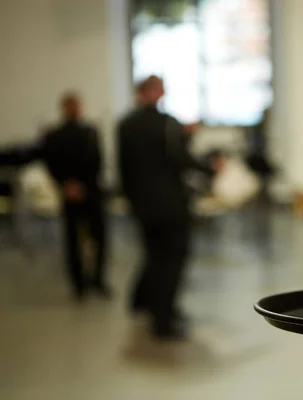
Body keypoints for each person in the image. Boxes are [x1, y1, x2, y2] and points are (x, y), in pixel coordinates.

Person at [118, 75, 219, 340]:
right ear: (154, 92)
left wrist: (131, 201)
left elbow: (123, 168)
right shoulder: (167, 124)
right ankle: (164, 318)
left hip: (143, 205)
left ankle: (153, 307)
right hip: (170, 204)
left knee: (154, 256)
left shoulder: (126, 125)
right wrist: (210, 168)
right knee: (173, 259)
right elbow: (179, 159)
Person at [0, 92, 109, 301]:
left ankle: (98, 280)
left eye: (77, 105)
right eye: (70, 105)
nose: (75, 109)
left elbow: (96, 161)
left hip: (91, 192)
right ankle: (79, 285)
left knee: (99, 236)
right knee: (72, 240)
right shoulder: (55, 135)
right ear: (64, 108)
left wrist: (83, 186)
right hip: (68, 192)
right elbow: (52, 163)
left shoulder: (90, 132)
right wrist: (65, 184)